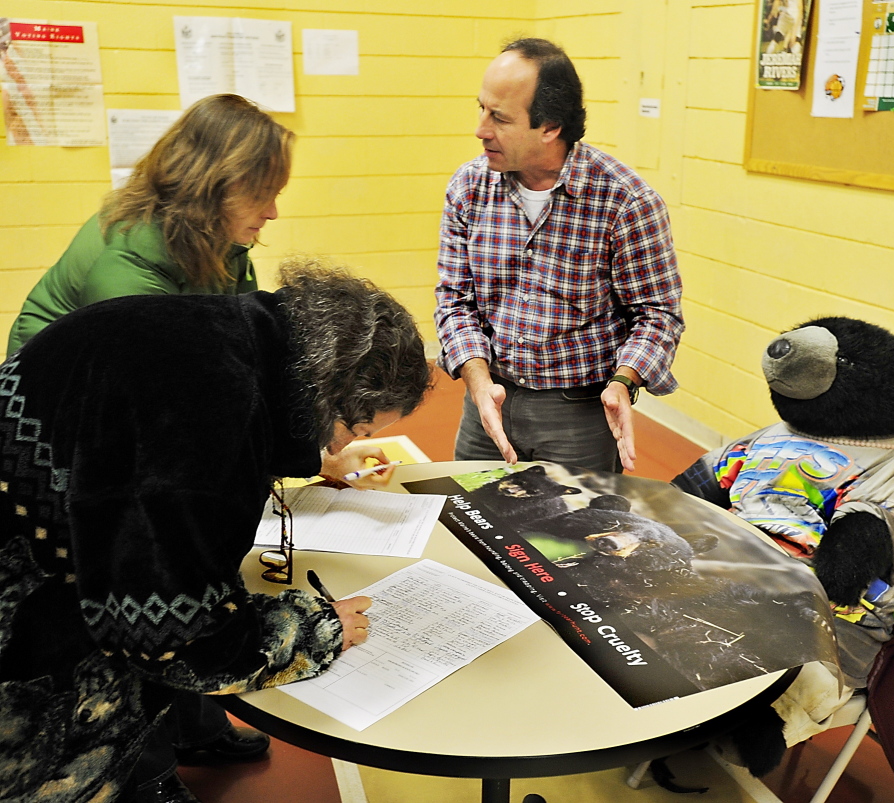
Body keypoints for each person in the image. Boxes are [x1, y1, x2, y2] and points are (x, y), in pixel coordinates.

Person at [0, 256, 433, 802]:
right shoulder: (212, 422)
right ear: (326, 398)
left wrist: (304, 453)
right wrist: (313, 629)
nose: (343, 445)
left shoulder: (238, 332)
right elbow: (169, 633)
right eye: (353, 428)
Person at [434, 38, 684, 474]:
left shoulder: (624, 201)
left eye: (499, 117)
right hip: (486, 401)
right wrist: (477, 379)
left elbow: (657, 314)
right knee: (472, 525)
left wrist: (624, 380)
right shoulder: (468, 187)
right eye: (481, 108)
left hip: (578, 415)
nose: (480, 129)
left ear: (550, 127)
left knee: (573, 536)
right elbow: (454, 299)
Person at [6, 92, 290, 355]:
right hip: (48, 376)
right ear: (210, 185)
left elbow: (242, 335)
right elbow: (150, 367)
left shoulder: (218, 232)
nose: (273, 213)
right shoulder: (136, 248)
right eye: (260, 194)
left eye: (274, 194)